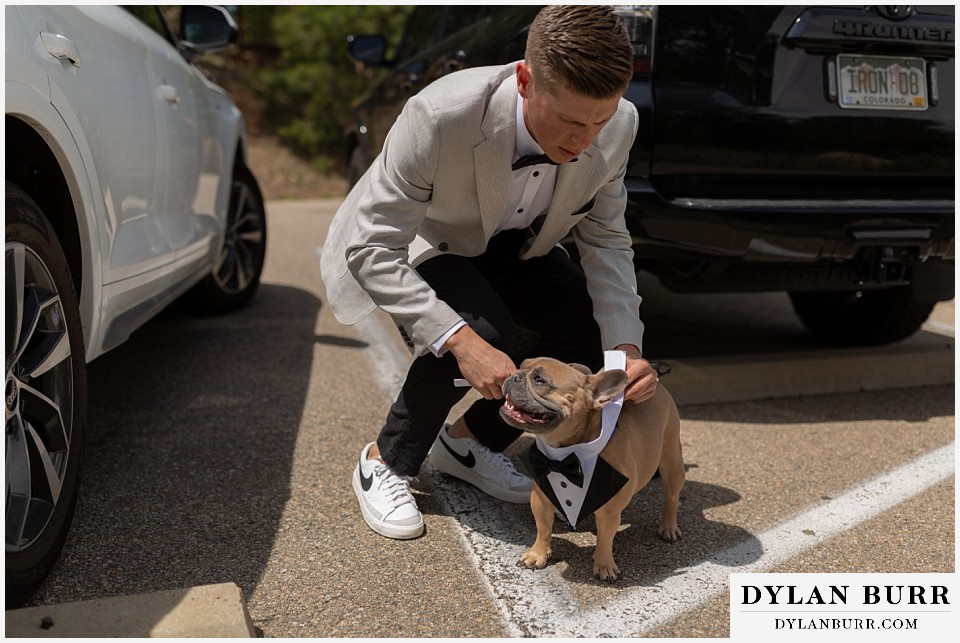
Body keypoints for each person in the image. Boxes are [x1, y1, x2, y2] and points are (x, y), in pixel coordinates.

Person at [320, 5, 659, 540]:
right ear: (525, 81)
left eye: (600, 120)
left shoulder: (619, 125)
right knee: (480, 332)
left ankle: (469, 442)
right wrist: (459, 340)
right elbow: (372, 249)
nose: (586, 140)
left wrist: (627, 351)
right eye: (571, 121)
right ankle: (386, 460)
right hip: (424, 242)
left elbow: (606, 238)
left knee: (591, 333)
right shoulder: (440, 115)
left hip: (518, 246)